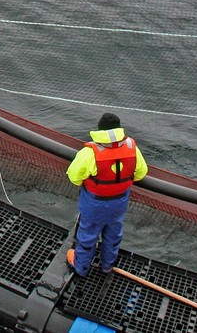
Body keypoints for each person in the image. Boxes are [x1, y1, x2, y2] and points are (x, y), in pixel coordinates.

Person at [66, 112, 148, 275]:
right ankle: (107, 266)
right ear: (119, 129)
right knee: (113, 234)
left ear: (100, 129)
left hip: (95, 203)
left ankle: (81, 267)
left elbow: (74, 177)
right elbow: (141, 173)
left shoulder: (90, 152)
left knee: (88, 234)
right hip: (119, 202)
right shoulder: (132, 147)